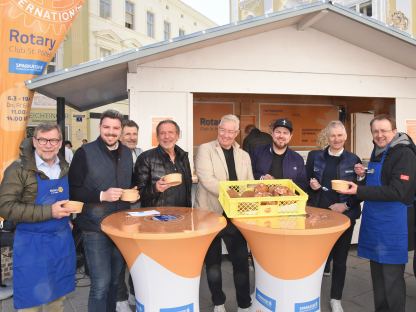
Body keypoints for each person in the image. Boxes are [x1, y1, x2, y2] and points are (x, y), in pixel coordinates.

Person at [338, 114, 416, 312]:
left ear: (394, 131)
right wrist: (363, 177)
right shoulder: (379, 151)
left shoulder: (404, 153)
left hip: (393, 227)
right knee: (378, 279)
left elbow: (399, 191)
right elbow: (379, 182)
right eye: (375, 131)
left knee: (392, 280)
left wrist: (358, 189)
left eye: (384, 131)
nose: (379, 135)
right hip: (376, 225)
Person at [0, 123, 76, 311]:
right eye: (42, 139)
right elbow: (5, 207)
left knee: (57, 299)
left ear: (60, 143)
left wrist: (68, 219)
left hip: (60, 242)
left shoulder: (64, 166)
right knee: (30, 302)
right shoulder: (18, 169)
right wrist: (50, 212)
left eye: (53, 140)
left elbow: (63, 198)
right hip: (31, 244)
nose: (48, 144)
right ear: (34, 141)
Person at [69, 110, 133, 312]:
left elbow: (128, 183)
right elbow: (73, 189)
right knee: (100, 285)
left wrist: (134, 192)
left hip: (119, 227)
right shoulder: (84, 152)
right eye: (107, 127)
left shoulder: (127, 153)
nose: (111, 132)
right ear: (100, 128)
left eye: (115, 128)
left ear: (121, 130)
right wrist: (101, 196)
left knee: (115, 281)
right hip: (94, 228)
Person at [195, 114, 253, 312]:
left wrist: (248, 195)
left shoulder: (244, 155)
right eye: (223, 130)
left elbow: (250, 183)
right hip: (210, 215)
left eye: (231, 131)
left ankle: (244, 304)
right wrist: (236, 193)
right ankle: (218, 302)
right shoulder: (205, 149)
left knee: (240, 263)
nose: (226, 135)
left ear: (237, 133)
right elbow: (206, 180)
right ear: (218, 129)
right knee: (213, 263)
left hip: (235, 216)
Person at [305, 120, 362, 312]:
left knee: (340, 259)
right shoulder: (315, 157)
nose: (336, 139)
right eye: (332, 135)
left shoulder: (354, 160)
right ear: (326, 137)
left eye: (340, 135)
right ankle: (311, 295)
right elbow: (307, 182)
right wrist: (312, 185)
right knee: (318, 259)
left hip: (344, 216)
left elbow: (360, 190)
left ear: (345, 137)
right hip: (320, 216)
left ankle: (335, 299)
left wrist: (344, 205)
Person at [135, 120, 192, 208]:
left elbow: (188, 188)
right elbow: (137, 193)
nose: (167, 136)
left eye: (171, 132)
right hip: (157, 216)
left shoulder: (183, 157)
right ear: (157, 137)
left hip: (183, 214)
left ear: (177, 136)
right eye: (162, 133)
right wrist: (155, 188)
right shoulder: (145, 158)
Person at [116, 120, 142, 312]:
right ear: (120, 136)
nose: (132, 138)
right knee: (118, 257)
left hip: (139, 211)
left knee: (136, 255)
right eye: (128, 134)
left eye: (134, 134)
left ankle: (134, 291)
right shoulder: (113, 155)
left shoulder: (140, 153)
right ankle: (120, 298)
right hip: (118, 212)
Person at [250, 118, 307, 190]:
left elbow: (303, 183)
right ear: (272, 133)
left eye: (285, 133)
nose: (281, 136)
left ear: (290, 136)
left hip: (288, 200)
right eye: (278, 132)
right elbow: (248, 175)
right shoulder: (257, 152)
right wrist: (261, 178)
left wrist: (289, 186)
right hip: (261, 199)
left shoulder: (297, 159)